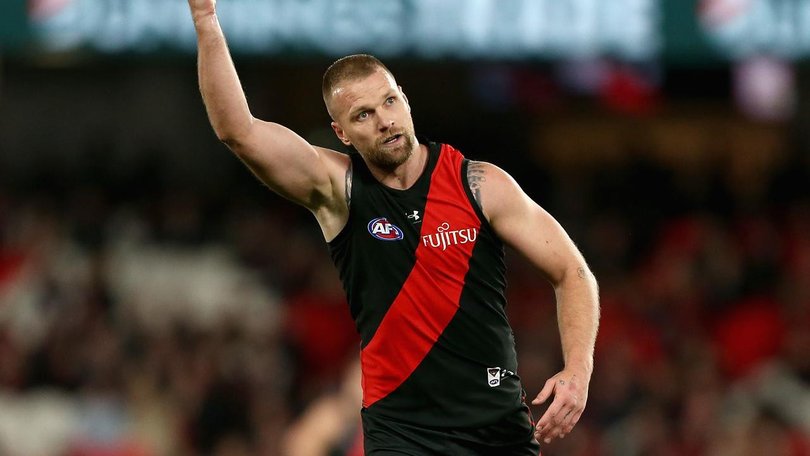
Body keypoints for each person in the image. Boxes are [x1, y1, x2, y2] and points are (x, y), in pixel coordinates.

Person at [188, 1, 600, 454]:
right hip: (404, 436)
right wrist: (206, 20)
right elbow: (238, 131)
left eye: (389, 101)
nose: (385, 121)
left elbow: (572, 272)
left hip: (497, 430)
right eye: (363, 114)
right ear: (341, 133)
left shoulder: (479, 184)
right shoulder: (337, 190)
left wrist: (577, 371)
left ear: (404, 98)